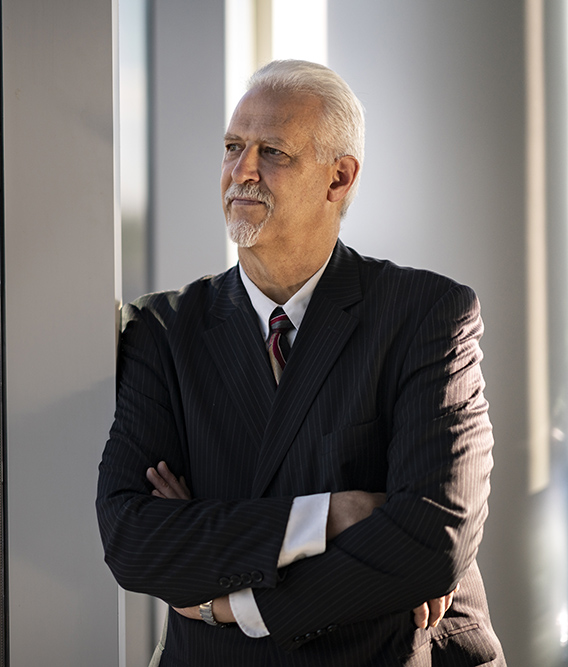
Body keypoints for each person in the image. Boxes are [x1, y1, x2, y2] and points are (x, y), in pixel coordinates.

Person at [96, 60, 505, 666]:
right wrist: (332, 515)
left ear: (338, 178)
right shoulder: (163, 332)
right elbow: (133, 538)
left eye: (273, 153)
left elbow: (431, 540)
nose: (242, 172)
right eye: (233, 147)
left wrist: (229, 604)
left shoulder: (426, 315)